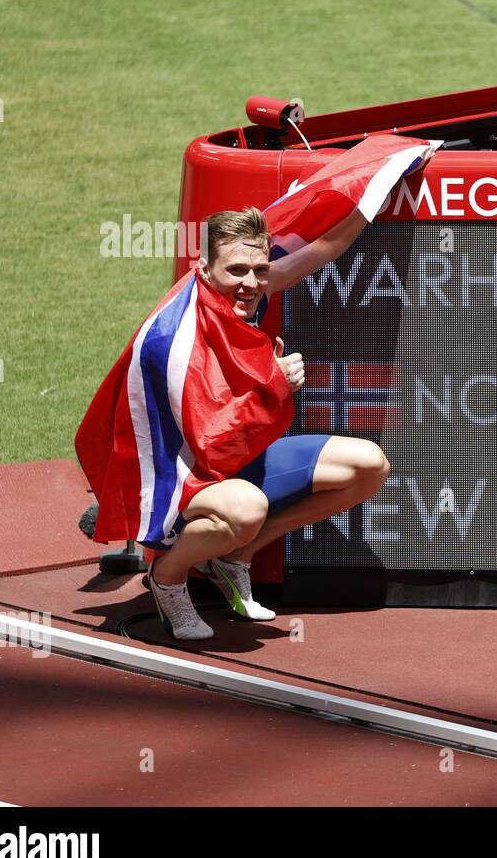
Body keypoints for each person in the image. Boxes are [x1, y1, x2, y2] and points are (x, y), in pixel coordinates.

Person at [146, 205, 387, 640]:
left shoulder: (251, 289)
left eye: (260, 269)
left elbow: (325, 248)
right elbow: (210, 441)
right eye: (237, 270)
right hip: (184, 476)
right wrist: (273, 383)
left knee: (370, 466)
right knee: (247, 508)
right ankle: (168, 576)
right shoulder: (175, 337)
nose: (252, 283)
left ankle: (237, 556)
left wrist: (371, 196)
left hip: (240, 457)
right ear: (204, 269)